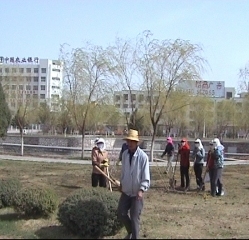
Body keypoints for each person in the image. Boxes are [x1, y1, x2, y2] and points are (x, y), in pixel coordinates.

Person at [117, 129, 150, 239]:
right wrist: (121, 183)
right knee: (121, 212)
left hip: (137, 193)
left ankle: (135, 236)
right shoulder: (125, 154)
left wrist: (141, 190)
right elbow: (124, 171)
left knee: (135, 217)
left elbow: (146, 177)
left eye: (132, 141)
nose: (129, 143)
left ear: (137, 143)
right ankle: (131, 231)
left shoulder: (143, 157)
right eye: (128, 141)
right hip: (126, 192)